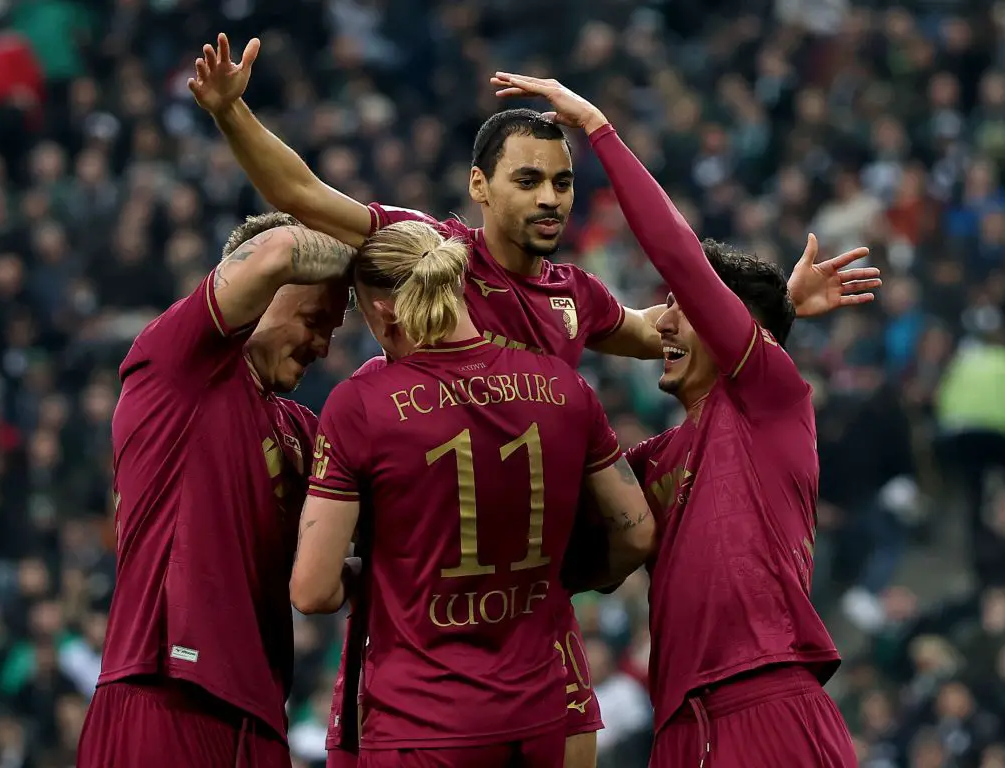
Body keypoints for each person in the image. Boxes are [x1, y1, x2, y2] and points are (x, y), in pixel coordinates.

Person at [187, 33, 877, 768]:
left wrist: (769, 321)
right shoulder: (435, 254)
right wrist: (233, 114)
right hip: (427, 597)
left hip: (528, 627)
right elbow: (300, 195)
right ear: (479, 186)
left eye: (562, 182)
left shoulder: (575, 296)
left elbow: (673, 331)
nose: (550, 197)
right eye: (528, 180)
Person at [490, 72, 857, 766]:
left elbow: (686, 265)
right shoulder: (654, 462)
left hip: (768, 700)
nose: (663, 323)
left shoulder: (775, 402)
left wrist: (600, 130)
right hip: (680, 728)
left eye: (681, 310)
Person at [288, 220, 655, 767]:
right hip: (542, 711)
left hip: (420, 719)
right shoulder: (564, 384)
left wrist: (379, 573)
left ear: (384, 310)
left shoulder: (361, 404)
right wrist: (570, 577)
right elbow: (637, 530)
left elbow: (312, 592)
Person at [76, 213, 355, 767]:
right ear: (266, 295)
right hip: (164, 693)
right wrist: (379, 259)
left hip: (258, 713)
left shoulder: (299, 429)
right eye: (314, 318)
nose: (323, 345)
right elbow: (277, 247)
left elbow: (348, 553)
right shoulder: (179, 364)